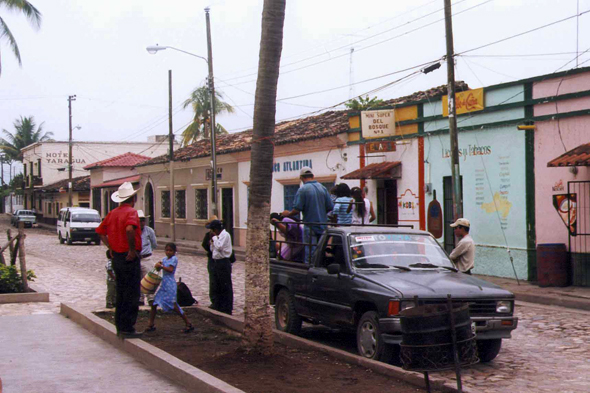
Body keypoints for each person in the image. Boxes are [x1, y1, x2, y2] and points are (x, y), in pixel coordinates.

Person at [96, 181, 143, 338]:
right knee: (132, 293)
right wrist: (131, 249)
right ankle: (128, 327)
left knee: (121, 291)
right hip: (129, 256)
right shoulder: (132, 212)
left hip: (117, 256)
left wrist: (110, 247)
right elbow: (130, 229)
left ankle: (120, 325)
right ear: (133, 198)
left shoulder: (112, 213)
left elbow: (101, 232)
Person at [282, 167, 334, 264]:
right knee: (320, 251)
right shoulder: (323, 188)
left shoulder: (303, 190)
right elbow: (330, 206)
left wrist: (288, 214)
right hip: (323, 225)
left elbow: (297, 209)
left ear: (301, 178)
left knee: (310, 252)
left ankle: (310, 270)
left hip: (310, 226)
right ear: (313, 176)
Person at [146, 243, 194, 333]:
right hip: (164, 284)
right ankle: (150, 324)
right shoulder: (164, 259)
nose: (168, 252)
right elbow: (159, 269)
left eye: (170, 250)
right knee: (154, 303)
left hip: (170, 285)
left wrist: (161, 266)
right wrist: (157, 266)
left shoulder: (174, 259)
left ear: (174, 252)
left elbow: (170, 270)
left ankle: (188, 323)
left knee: (174, 305)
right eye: (167, 250)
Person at [207, 219, 234, 315]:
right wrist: (212, 241)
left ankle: (227, 307)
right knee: (218, 285)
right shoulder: (218, 237)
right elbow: (213, 249)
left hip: (224, 262)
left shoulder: (224, 235)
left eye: (212, 230)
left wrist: (214, 238)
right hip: (217, 262)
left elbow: (219, 247)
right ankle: (219, 305)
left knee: (225, 285)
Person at [138, 210, 157, 306]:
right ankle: (140, 299)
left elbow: (154, 244)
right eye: (139, 220)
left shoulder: (149, 231)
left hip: (146, 258)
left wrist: (147, 251)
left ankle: (150, 298)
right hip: (136, 258)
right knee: (138, 279)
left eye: (143, 220)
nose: (141, 222)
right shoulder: (132, 230)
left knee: (149, 279)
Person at [201, 215, 218, 309]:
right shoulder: (208, 235)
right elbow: (204, 245)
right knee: (212, 281)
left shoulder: (222, 234)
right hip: (211, 259)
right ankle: (214, 300)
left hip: (218, 259)